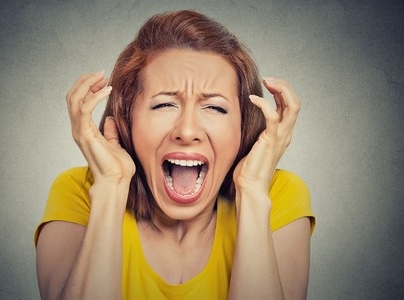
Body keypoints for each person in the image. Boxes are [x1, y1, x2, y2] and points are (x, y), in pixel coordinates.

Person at [35, 10, 315, 300]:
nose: (187, 130)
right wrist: (109, 188)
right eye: (164, 105)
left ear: (244, 127)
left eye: (215, 108)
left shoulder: (279, 195)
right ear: (126, 119)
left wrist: (254, 193)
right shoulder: (79, 192)